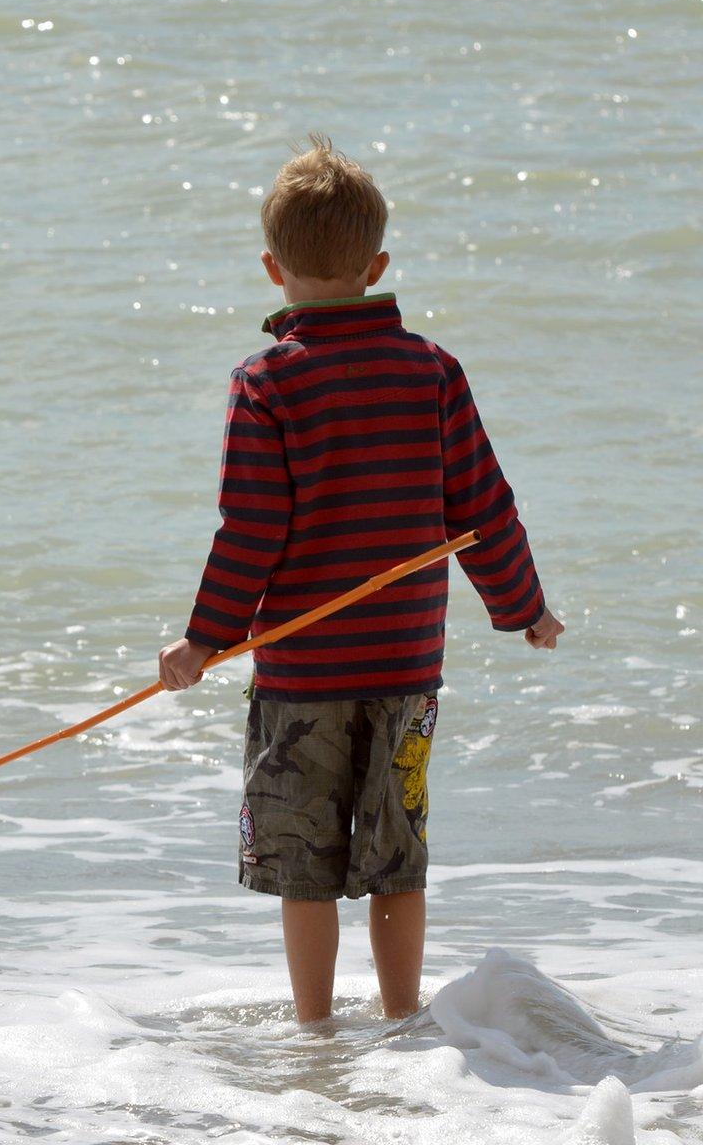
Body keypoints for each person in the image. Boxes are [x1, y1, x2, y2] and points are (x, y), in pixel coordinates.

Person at [157, 135, 564, 1024]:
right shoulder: (432, 372)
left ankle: (313, 1035)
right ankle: (403, 1026)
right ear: (377, 265)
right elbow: (484, 509)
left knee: (305, 867)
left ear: (272, 268)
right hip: (407, 672)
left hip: (304, 675)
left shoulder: (267, 384)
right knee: (396, 858)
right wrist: (523, 608)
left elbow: (251, 531)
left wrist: (205, 640)